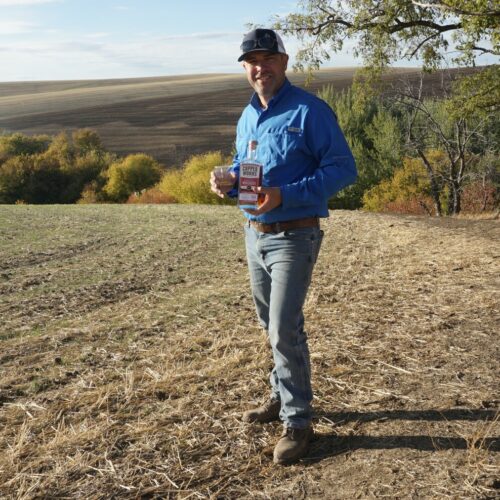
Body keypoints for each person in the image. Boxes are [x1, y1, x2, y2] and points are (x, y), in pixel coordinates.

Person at [210, 28, 357, 465]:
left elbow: (343, 170)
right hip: (254, 233)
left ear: (285, 61)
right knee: (271, 323)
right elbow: (245, 163)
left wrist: (285, 194)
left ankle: (298, 421)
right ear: (244, 69)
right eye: (252, 62)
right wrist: (229, 179)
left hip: (295, 233)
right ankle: (280, 395)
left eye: (267, 59)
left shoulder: (310, 111)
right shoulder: (248, 114)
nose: (260, 68)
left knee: (281, 326)